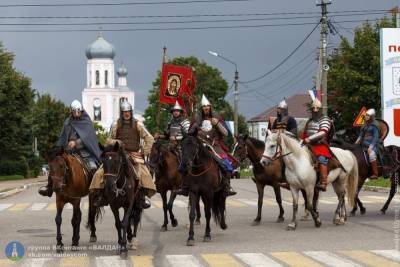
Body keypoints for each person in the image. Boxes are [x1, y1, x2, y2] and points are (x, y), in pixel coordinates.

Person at [89, 101, 156, 209]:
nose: (126, 114)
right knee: (99, 173)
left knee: (144, 174)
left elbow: (150, 138)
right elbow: (108, 140)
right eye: (124, 112)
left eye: (128, 111)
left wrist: (144, 151)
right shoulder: (115, 124)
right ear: (121, 112)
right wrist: (116, 141)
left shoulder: (138, 124)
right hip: (118, 155)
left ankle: (141, 198)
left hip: (133, 155)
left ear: (131, 112)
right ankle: (101, 196)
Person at [38, 100, 101, 197]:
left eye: (78, 111)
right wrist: (63, 146)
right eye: (74, 112)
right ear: (71, 111)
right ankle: (49, 188)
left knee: (93, 167)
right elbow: (63, 137)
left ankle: (96, 192)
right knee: (55, 165)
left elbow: (89, 138)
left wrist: (76, 142)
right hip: (69, 151)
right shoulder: (68, 122)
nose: (76, 114)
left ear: (81, 111)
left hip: (85, 151)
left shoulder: (87, 122)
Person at [178, 94, 237, 197]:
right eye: (204, 106)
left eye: (207, 106)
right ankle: (184, 186)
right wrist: (194, 127)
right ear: (201, 108)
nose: (206, 108)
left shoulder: (217, 117)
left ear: (210, 107)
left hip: (215, 147)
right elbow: (190, 134)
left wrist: (217, 123)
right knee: (184, 163)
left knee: (226, 164)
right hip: (199, 146)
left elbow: (226, 133)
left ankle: (227, 186)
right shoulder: (197, 120)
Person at [300, 98, 333, 191]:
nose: (315, 110)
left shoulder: (325, 119)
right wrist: (300, 143)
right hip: (308, 145)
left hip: (320, 145)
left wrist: (309, 139)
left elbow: (323, 132)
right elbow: (305, 133)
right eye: (313, 108)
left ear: (320, 109)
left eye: (317, 108)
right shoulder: (310, 120)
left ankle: (323, 182)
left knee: (322, 159)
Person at [271, 99, 298, 189]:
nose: (277, 110)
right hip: (278, 144)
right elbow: (272, 131)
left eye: (279, 108)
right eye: (277, 108)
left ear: (284, 109)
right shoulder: (276, 121)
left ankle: (289, 180)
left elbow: (294, 133)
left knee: (287, 160)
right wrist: (274, 131)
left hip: (288, 144)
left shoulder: (291, 120)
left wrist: (282, 133)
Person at [355, 108, 380, 179]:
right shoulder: (365, 125)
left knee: (372, 155)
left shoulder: (375, 125)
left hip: (373, 145)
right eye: (366, 115)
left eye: (368, 115)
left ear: (371, 116)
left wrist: (371, 147)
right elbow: (361, 135)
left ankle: (375, 173)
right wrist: (356, 143)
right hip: (363, 144)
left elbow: (375, 137)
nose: (366, 116)